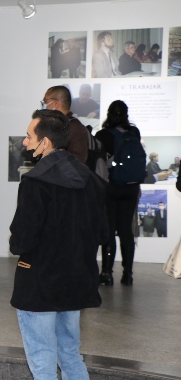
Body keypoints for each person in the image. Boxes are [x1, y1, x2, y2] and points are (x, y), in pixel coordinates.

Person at [10, 109, 107, 380]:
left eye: (29, 136)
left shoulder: (35, 181)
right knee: (70, 354)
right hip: (76, 281)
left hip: (40, 282)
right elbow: (102, 233)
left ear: (46, 142)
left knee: (42, 359)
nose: (25, 142)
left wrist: (13, 237)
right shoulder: (91, 180)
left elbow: (23, 239)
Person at [95, 100, 142, 286]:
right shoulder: (134, 133)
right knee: (125, 230)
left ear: (108, 113)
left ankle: (106, 273)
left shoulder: (102, 135)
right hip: (131, 187)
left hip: (111, 187)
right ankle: (128, 274)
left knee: (109, 229)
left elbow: (99, 164)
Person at [40, 86, 89, 163]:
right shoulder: (57, 125)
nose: (43, 105)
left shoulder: (74, 127)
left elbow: (78, 161)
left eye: (45, 101)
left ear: (56, 103)